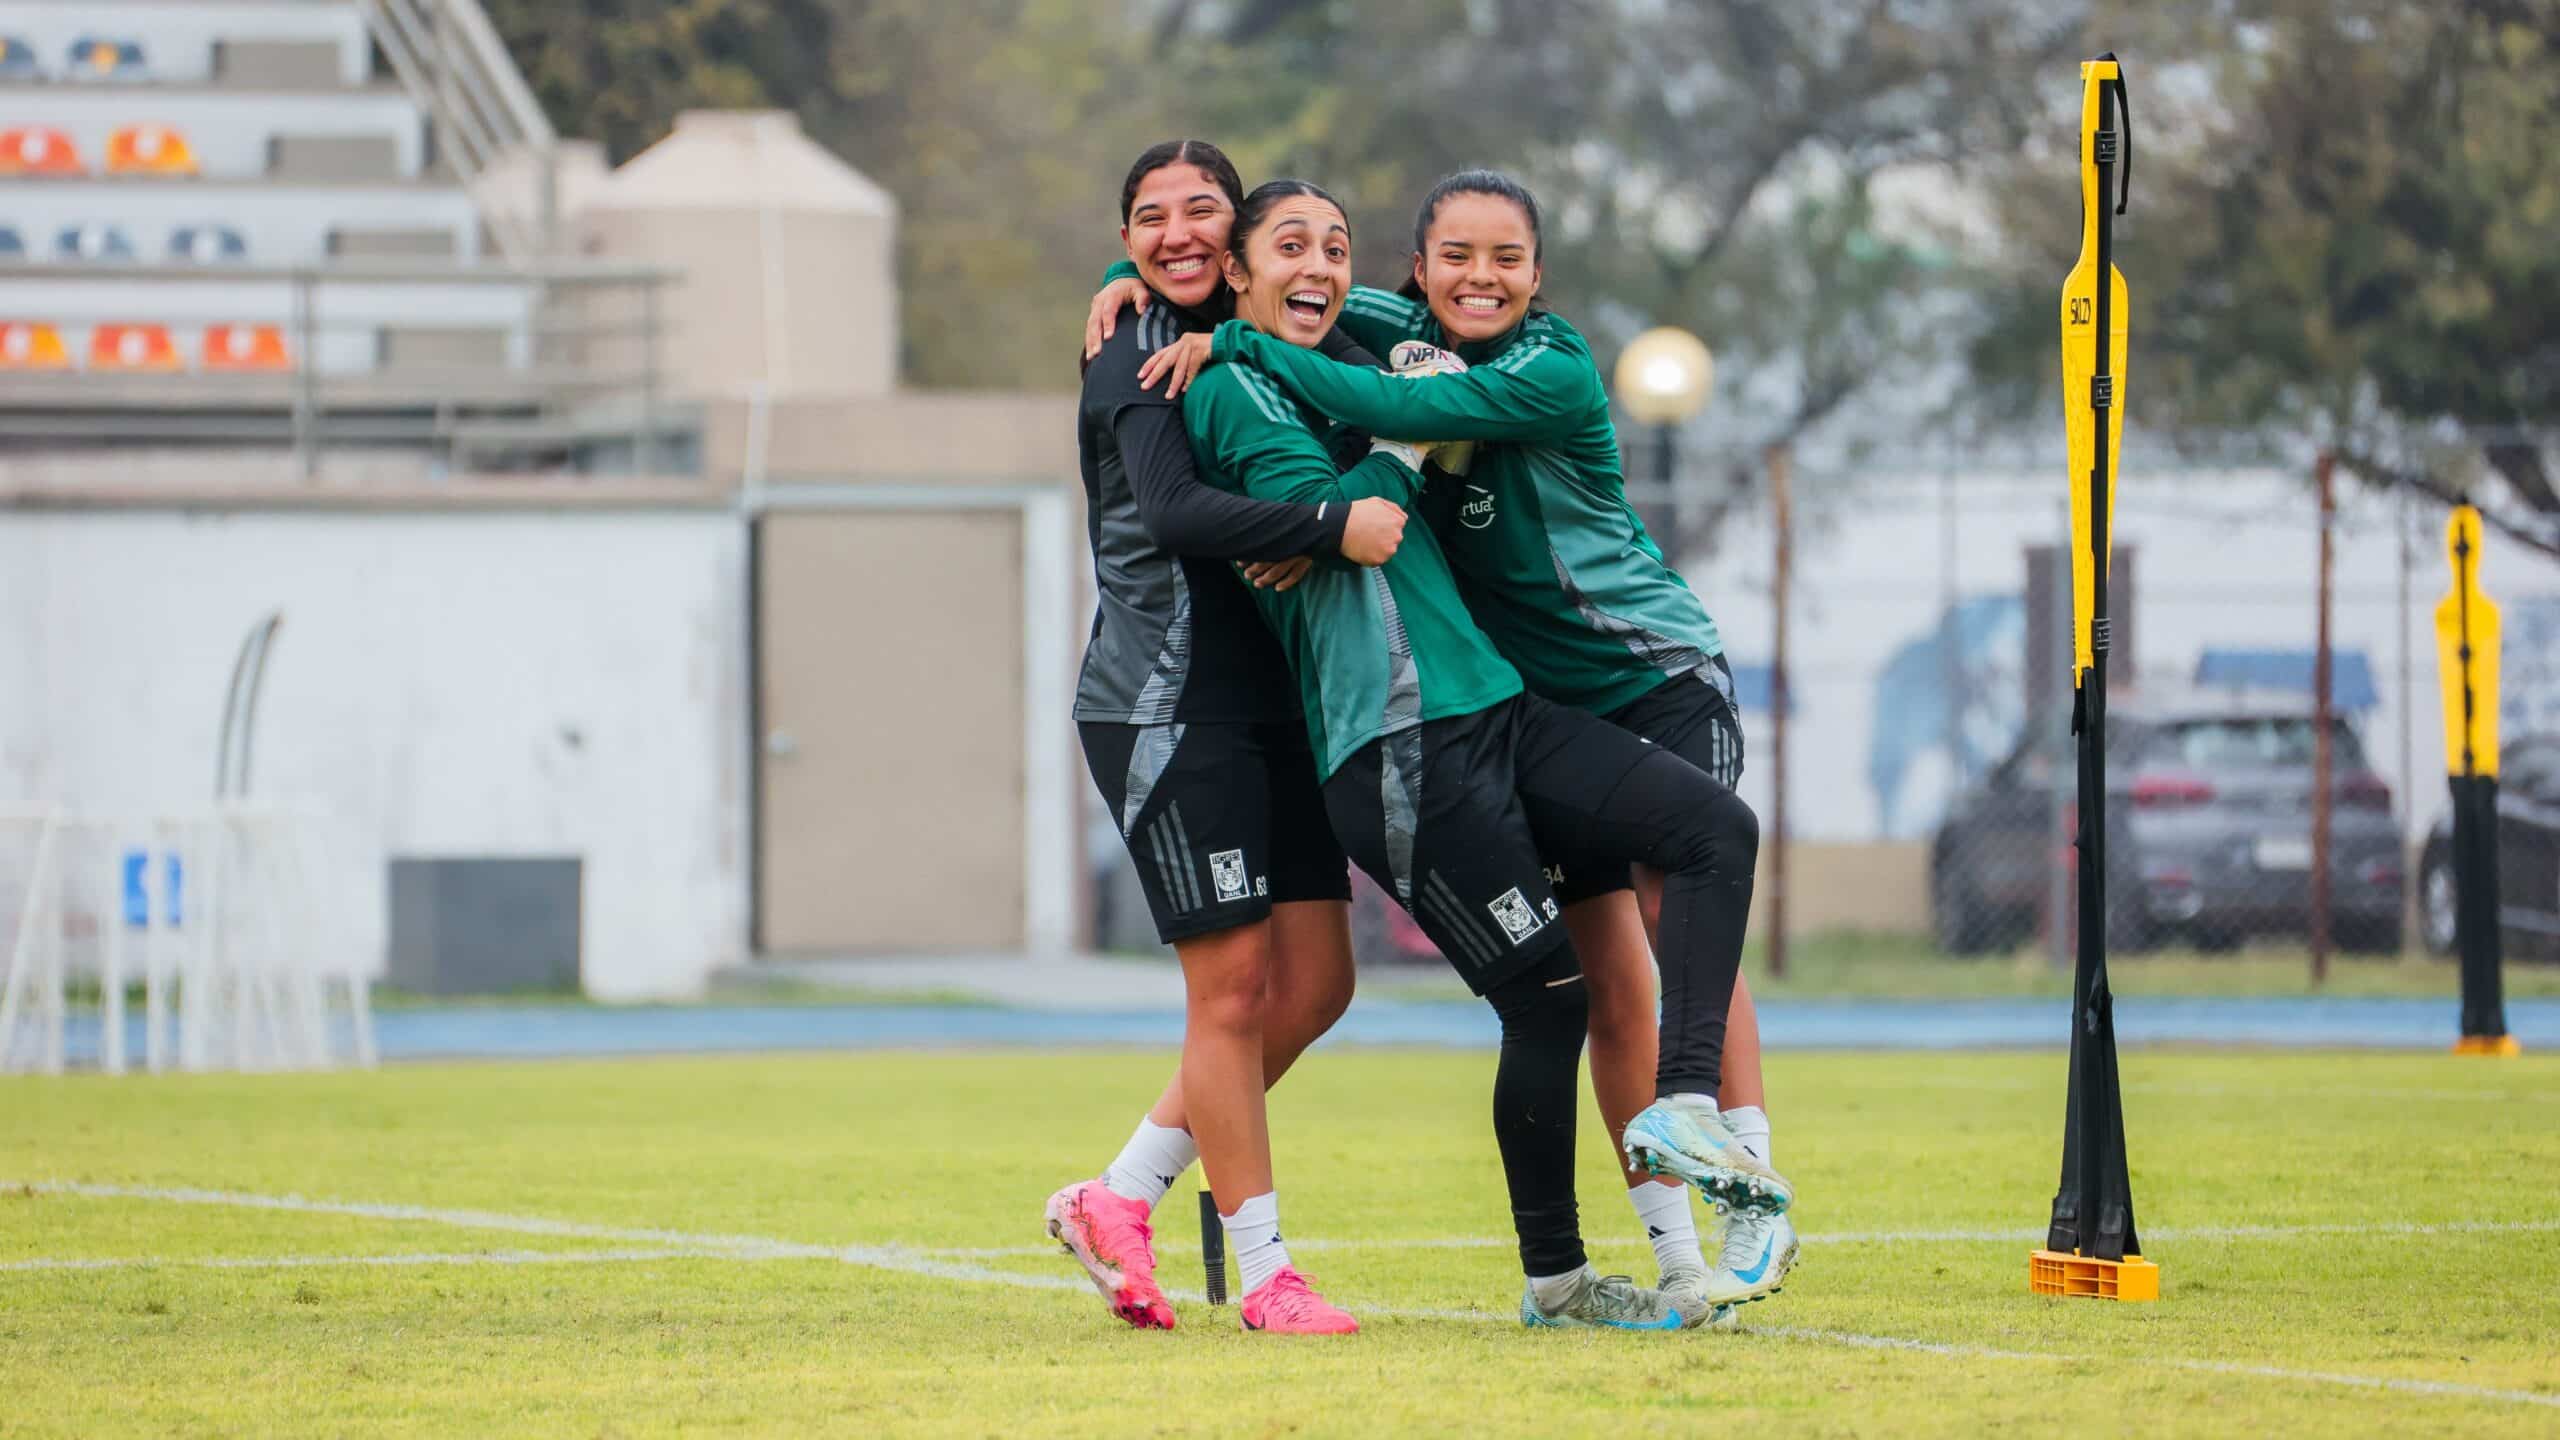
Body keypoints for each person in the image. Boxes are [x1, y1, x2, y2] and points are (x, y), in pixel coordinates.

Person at [1092, 170, 1800, 1315]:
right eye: (1288, 246)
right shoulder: (1230, 392)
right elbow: (1361, 521)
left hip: (1516, 705)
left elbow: (1371, 457)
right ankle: (1562, 1279)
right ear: (1240, 271)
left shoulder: (1443, 355)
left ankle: (1712, 1150)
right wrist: (1340, 491)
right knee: (1556, 1001)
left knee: (1713, 837)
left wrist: (1338, 459)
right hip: (1401, 742)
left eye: (1336, 245)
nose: (1319, 264)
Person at [1046, 140, 1403, 1337]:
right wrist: (1324, 523)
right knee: (1235, 992)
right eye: (1146, 219)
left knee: (1320, 984)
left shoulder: (1264, 339)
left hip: (1276, 712)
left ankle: (1117, 1193)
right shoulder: (1128, 349)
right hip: (1161, 707)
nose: (1176, 233)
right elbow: (1174, 510)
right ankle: (1270, 1278)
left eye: (1204, 212)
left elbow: (1372, 320)